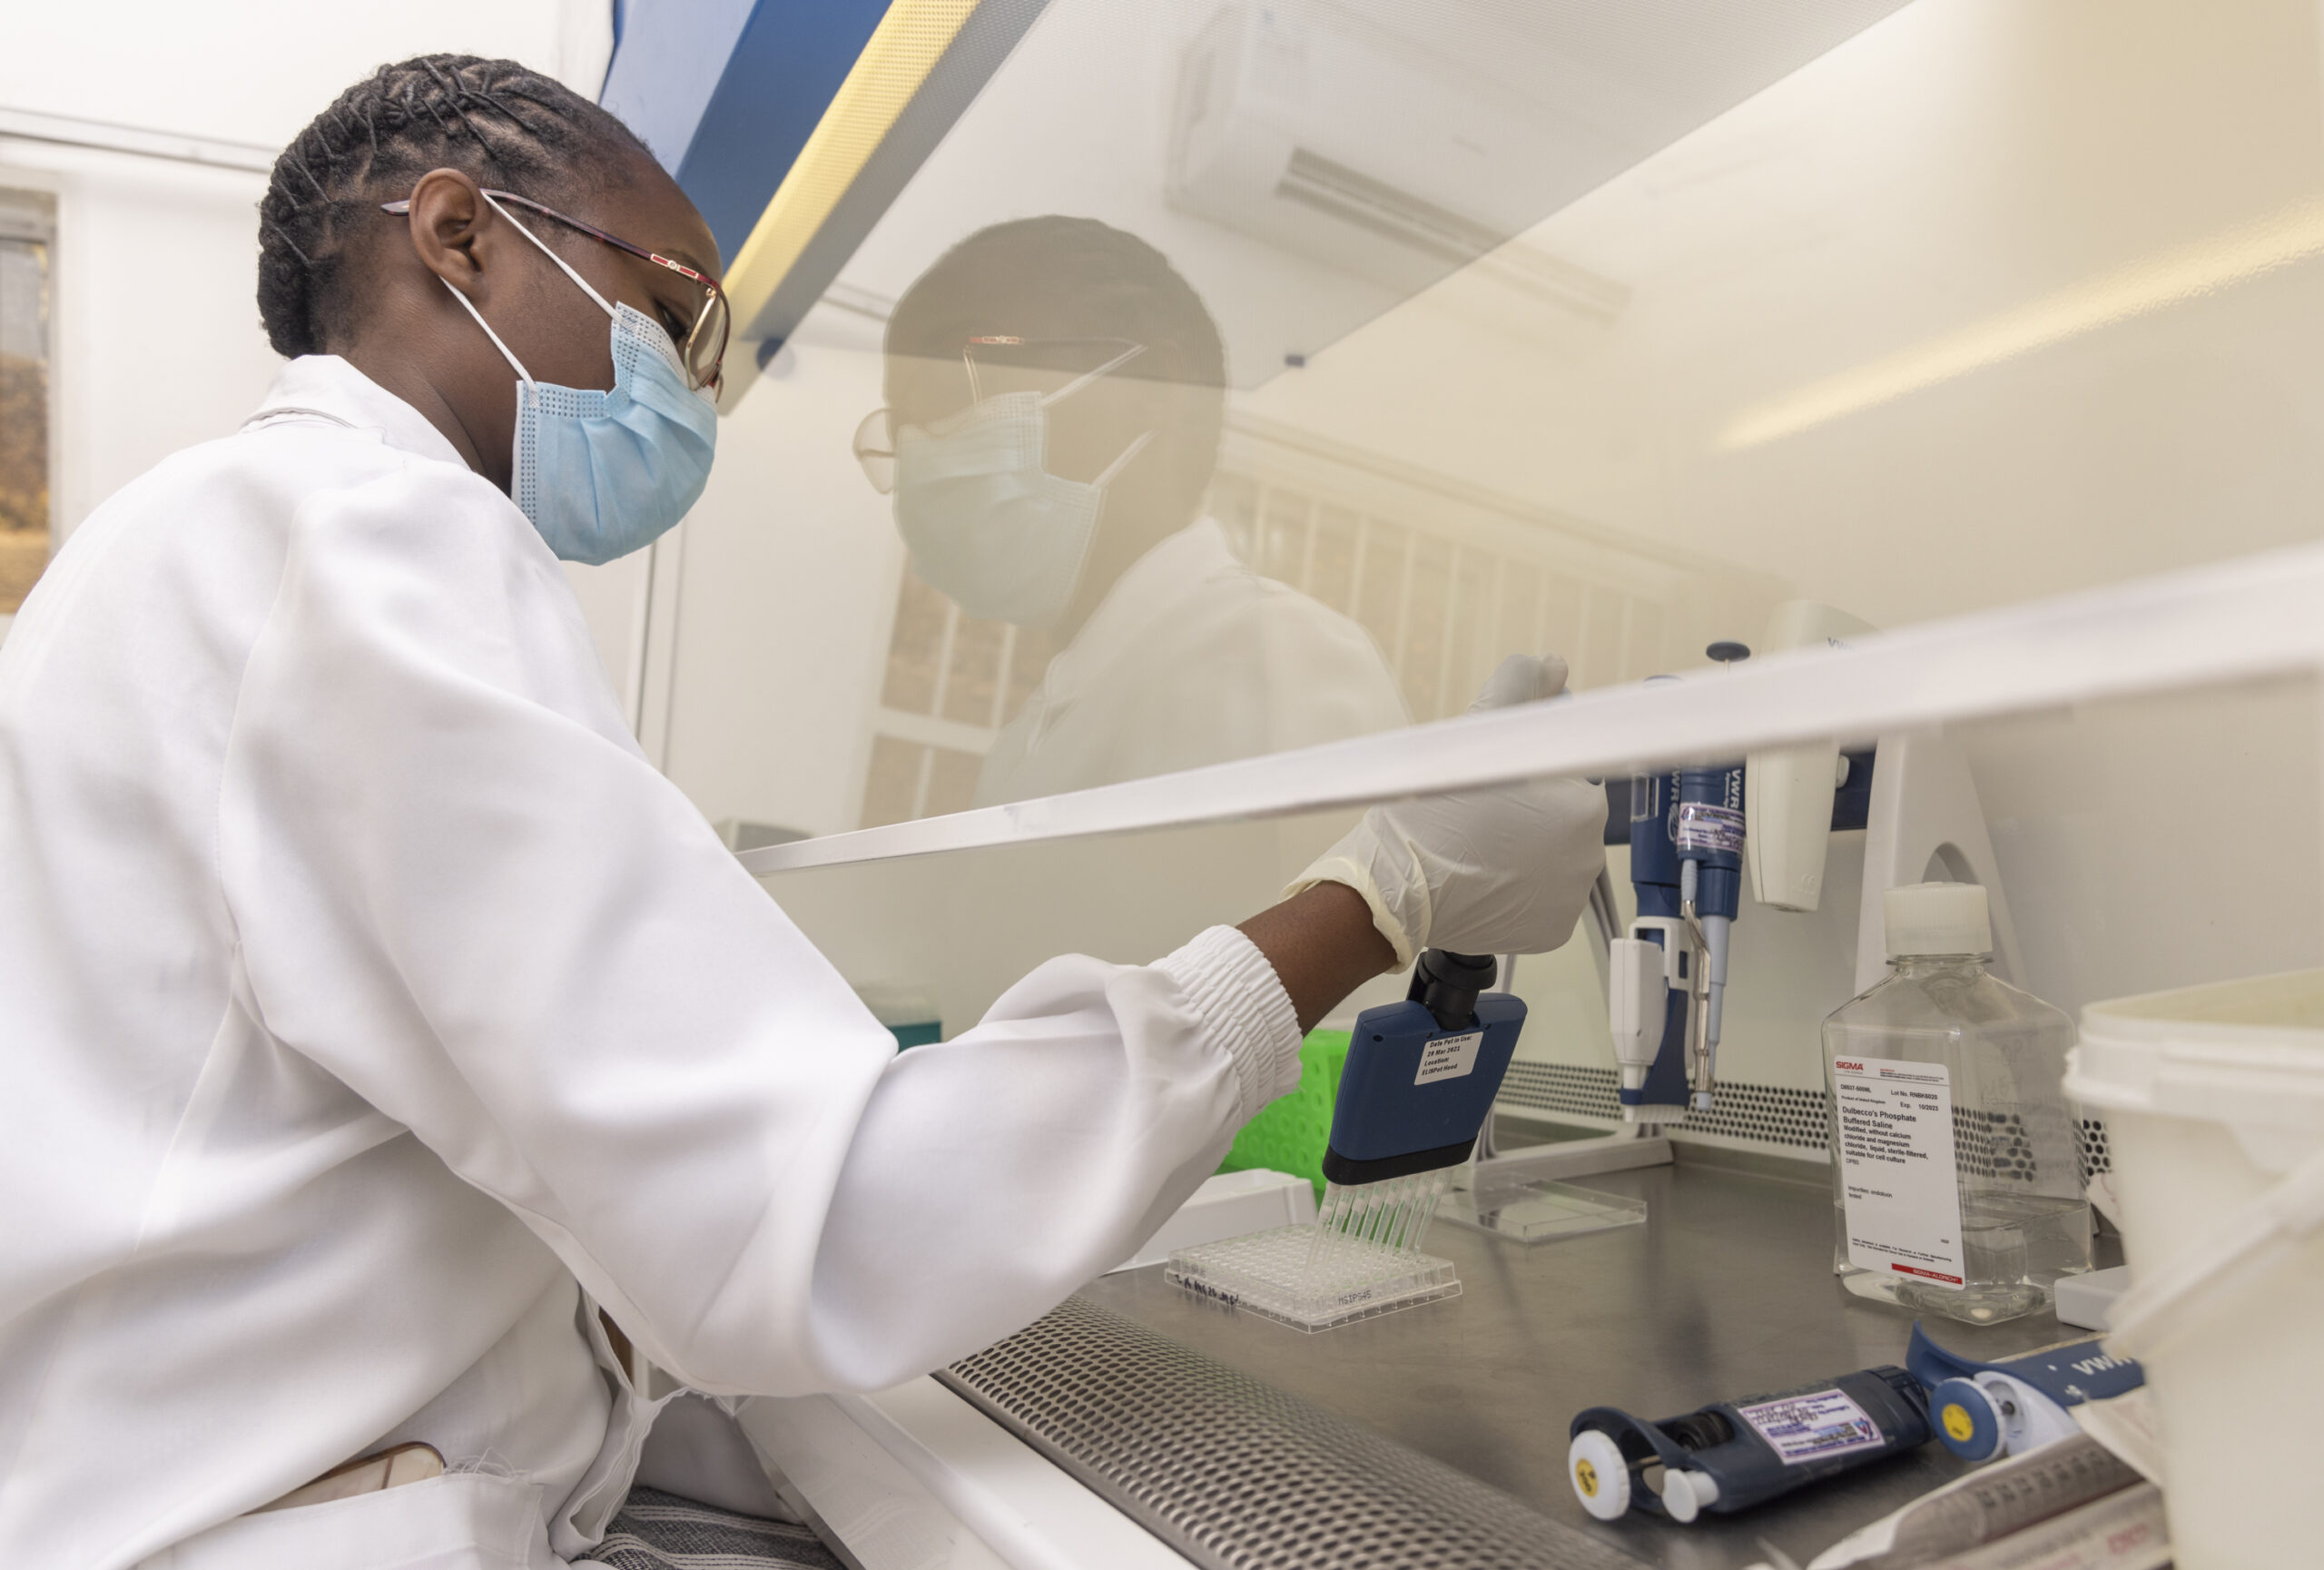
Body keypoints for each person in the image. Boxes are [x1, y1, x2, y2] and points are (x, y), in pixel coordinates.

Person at [0, 56, 1607, 1570]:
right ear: (460, 237)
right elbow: (826, 1225)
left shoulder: (191, 534)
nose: (692, 386)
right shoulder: (368, 536)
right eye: (674, 309)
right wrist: (1384, 892)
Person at [858, 216, 1409, 805]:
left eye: (957, 386)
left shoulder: (1276, 660)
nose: (923, 447)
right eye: (900, 424)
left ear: (1152, 390)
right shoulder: (1041, 728)